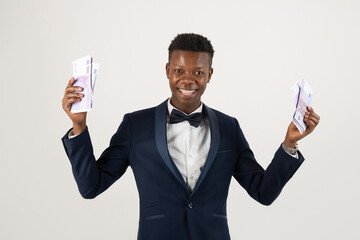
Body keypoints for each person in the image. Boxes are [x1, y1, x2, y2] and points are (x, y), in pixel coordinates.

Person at [61, 33, 320, 240]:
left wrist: (290, 143)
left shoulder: (229, 128)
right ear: (167, 70)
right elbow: (90, 186)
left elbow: (263, 192)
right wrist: (79, 126)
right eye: (179, 71)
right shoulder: (135, 125)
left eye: (198, 72)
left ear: (210, 74)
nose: (188, 80)